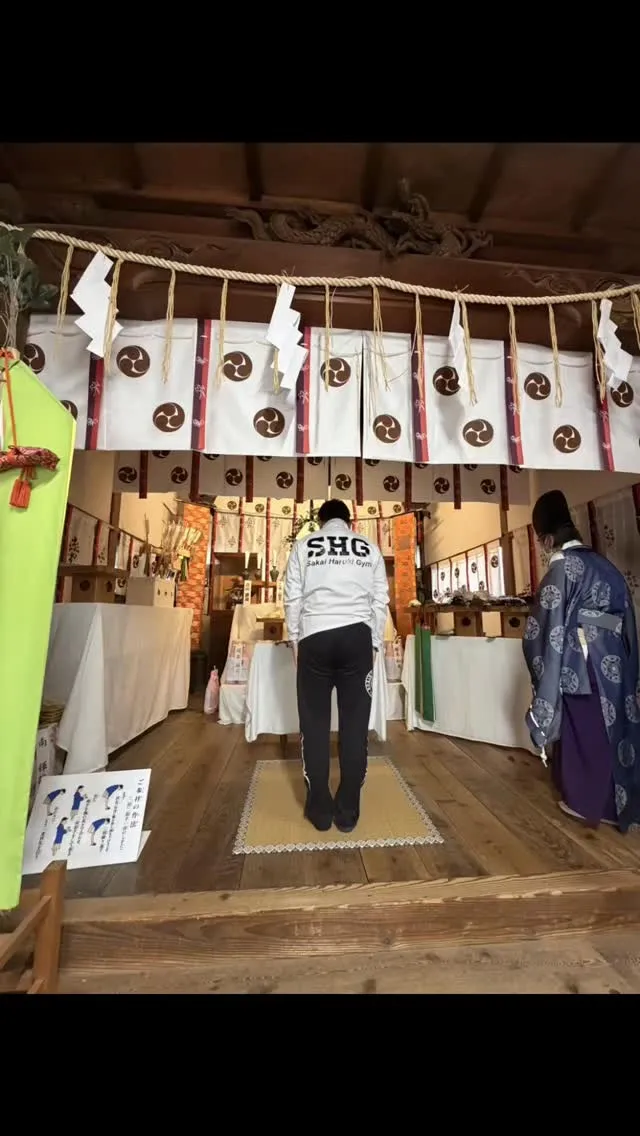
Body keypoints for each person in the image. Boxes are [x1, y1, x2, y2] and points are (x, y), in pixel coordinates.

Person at [523, 489, 640, 832]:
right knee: (615, 729)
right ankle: (625, 801)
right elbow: (629, 619)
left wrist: (536, 652)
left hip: (582, 659)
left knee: (585, 728)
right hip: (615, 657)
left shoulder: (563, 568)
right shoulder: (606, 565)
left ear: (546, 538)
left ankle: (590, 803)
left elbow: (545, 625)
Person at [284, 499, 389, 834]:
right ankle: (348, 808)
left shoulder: (304, 546)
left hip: (315, 637)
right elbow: (380, 600)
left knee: (314, 725)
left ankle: (319, 807)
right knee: (355, 725)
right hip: (357, 637)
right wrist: (374, 643)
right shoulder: (369, 547)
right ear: (349, 520)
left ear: (320, 521)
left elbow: (292, 597)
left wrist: (295, 639)